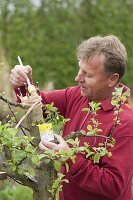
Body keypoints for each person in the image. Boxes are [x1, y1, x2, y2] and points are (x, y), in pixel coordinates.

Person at [10, 35, 133, 200]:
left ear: (112, 79)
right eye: (80, 70)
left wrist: (70, 158)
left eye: (88, 75)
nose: (77, 78)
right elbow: (39, 106)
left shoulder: (124, 122)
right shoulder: (79, 95)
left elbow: (114, 186)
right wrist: (24, 84)